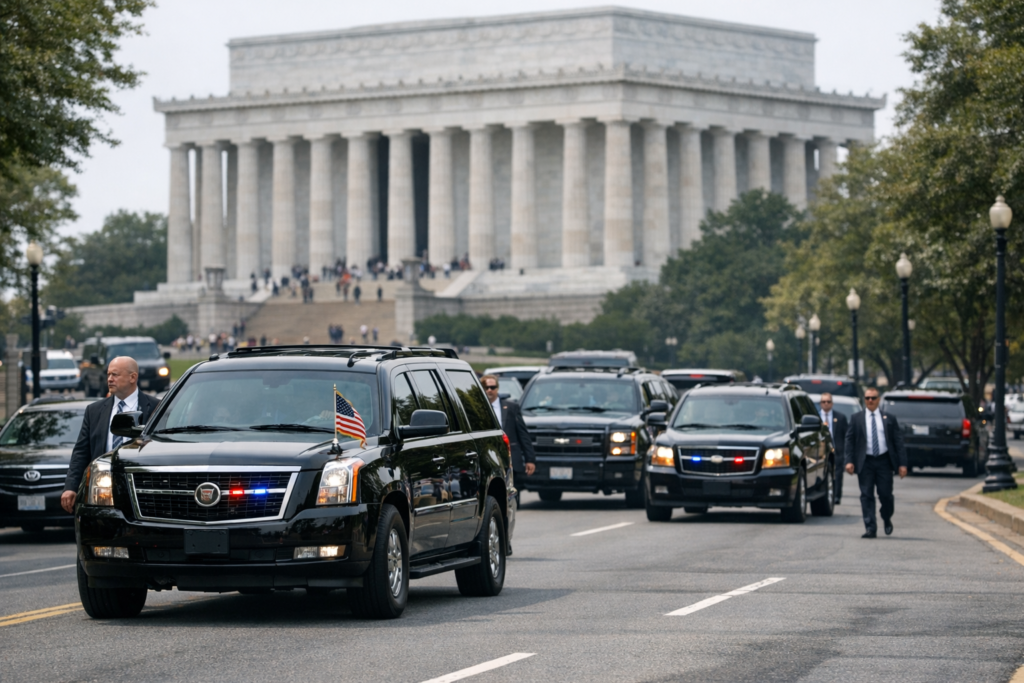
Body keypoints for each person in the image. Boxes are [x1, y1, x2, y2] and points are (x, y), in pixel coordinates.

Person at [61, 357, 160, 513]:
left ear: (132, 377)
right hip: (101, 493)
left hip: (141, 492)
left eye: (115, 374)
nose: (109, 379)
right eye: (108, 375)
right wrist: (70, 487)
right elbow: (81, 452)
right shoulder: (94, 411)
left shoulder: (156, 408)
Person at [844, 388, 907, 538]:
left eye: (873, 398)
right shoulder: (856, 418)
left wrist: (902, 464)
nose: (870, 401)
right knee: (866, 495)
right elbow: (849, 441)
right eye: (867, 398)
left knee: (885, 495)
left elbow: (898, 442)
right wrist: (849, 461)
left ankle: (886, 517)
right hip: (865, 461)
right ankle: (870, 527)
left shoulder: (889, 418)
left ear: (878, 400)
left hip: (884, 461)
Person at [481, 375, 535, 505]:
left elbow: (523, 434)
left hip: (510, 458)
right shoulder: (479, 409)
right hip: (489, 458)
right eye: (486, 387)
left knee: (512, 497)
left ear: (497, 388)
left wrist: (530, 459)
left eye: (493, 387)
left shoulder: (511, 407)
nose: (490, 390)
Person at [819, 392, 848, 504]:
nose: (826, 404)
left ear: (832, 403)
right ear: (820, 403)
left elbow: (846, 436)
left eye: (828, 401)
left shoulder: (840, 418)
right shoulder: (816, 417)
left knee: (838, 475)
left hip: (836, 451)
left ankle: (836, 496)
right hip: (820, 452)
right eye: (823, 401)